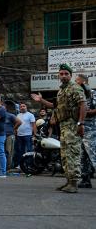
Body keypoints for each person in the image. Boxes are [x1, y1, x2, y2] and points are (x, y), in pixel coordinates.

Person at [31, 64, 86, 193]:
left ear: (70, 75)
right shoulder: (61, 90)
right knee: (65, 155)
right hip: (63, 126)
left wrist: (81, 124)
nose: (63, 76)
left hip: (72, 124)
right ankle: (68, 181)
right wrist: (41, 100)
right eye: (61, 74)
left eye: (66, 73)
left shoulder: (75, 88)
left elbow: (83, 105)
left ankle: (73, 183)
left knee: (72, 153)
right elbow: (54, 106)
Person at [75, 74, 96, 188]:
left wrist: (85, 113)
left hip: (92, 130)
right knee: (83, 157)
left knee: (94, 155)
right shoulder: (78, 95)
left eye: (77, 81)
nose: (75, 83)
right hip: (81, 130)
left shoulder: (92, 94)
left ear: (84, 82)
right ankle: (85, 180)